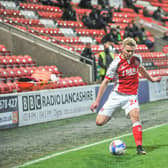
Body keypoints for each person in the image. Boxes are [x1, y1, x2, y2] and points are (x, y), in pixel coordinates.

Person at [90, 37, 161, 154]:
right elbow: (105, 82)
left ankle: (139, 148)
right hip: (117, 95)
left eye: (132, 51)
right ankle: (114, 112)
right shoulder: (115, 64)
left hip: (131, 96)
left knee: (135, 115)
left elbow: (141, 69)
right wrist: (97, 101)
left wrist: (152, 79)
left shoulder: (137, 59)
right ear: (122, 49)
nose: (130, 53)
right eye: (128, 51)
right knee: (99, 122)